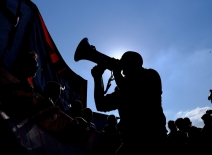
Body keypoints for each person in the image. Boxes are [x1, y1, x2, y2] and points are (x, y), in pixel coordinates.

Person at [91, 51, 167, 154]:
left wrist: (117, 73)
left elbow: (133, 91)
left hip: (153, 138)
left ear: (134, 63)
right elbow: (101, 104)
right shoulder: (121, 90)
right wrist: (97, 77)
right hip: (130, 141)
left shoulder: (151, 75)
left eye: (124, 62)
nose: (121, 66)